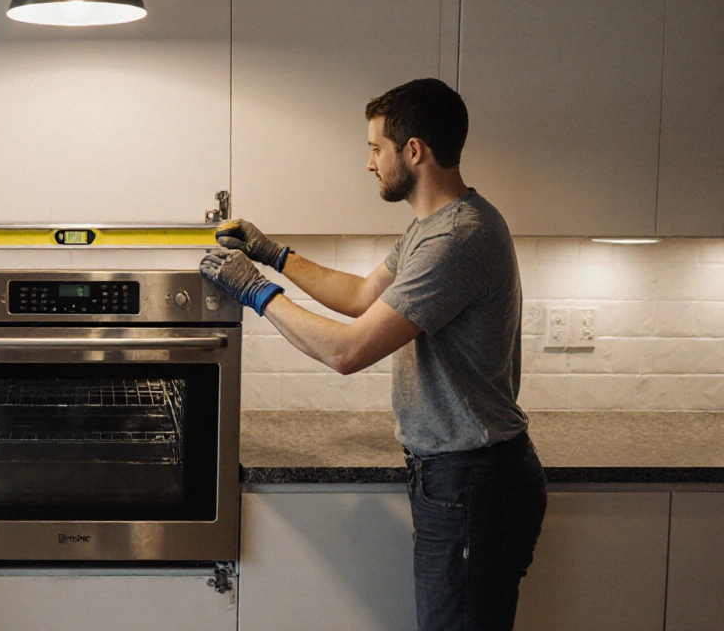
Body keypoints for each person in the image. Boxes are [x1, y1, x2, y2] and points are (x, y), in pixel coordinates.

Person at [201, 78, 547, 630]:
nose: (369, 164)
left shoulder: (458, 238)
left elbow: (347, 350)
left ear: (414, 151)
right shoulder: (431, 228)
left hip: (473, 483)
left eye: (375, 149)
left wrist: (257, 292)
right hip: (461, 479)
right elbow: (362, 296)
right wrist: (273, 254)